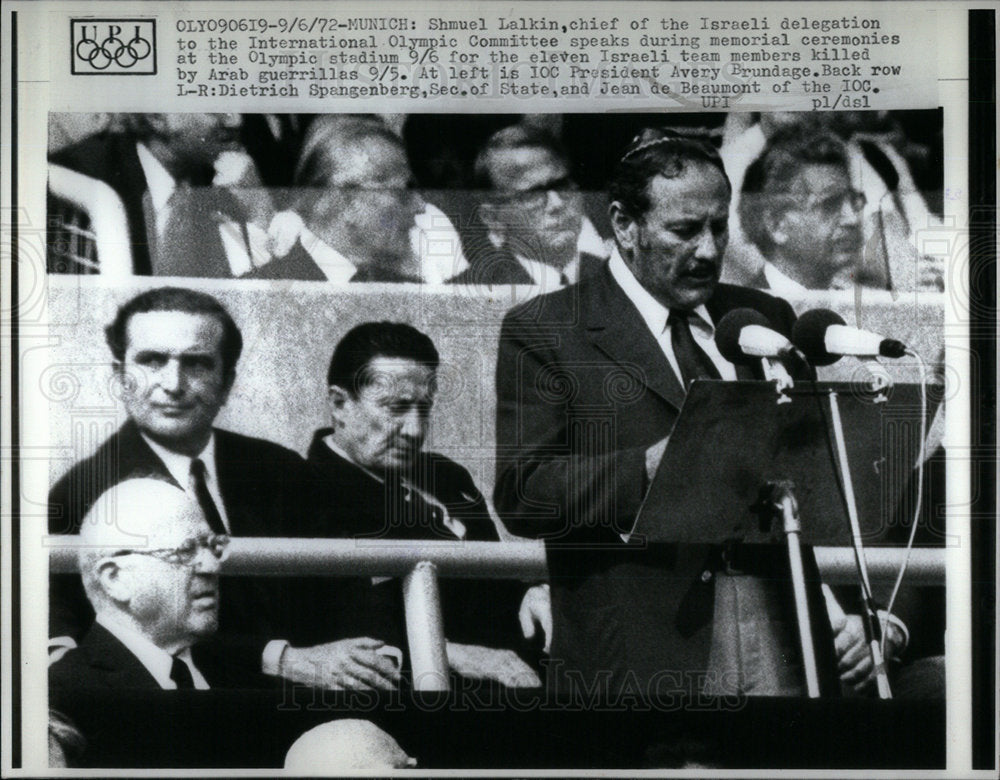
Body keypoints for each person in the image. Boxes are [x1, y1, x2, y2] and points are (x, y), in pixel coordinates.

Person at [493, 127, 892, 699]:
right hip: (640, 642)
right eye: (683, 231)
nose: (708, 250)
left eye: (719, 225)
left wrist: (838, 598)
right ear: (624, 227)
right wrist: (650, 468)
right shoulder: (549, 330)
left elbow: (800, 476)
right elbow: (521, 492)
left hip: (779, 624)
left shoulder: (763, 316)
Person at [48, 287, 400, 693]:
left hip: (315, 705)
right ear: (120, 377)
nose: (173, 384)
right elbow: (104, 651)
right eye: (152, 361)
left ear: (227, 382)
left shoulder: (281, 470)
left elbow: (352, 593)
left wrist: (376, 661)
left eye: (196, 364)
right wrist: (280, 658)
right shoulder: (81, 496)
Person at [307, 321, 546, 687]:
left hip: (517, 679)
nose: (416, 430)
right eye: (396, 408)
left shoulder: (446, 476)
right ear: (339, 404)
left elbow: (494, 583)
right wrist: (449, 652)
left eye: (424, 408)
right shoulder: (299, 492)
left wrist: (530, 593)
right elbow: (325, 631)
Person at [49, 478, 256, 691]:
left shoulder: (250, 687)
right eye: (185, 551)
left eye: (213, 546)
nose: (212, 566)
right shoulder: (63, 695)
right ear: (115, 579)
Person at [48, 113, 273, 277]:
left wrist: (261, 213)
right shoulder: (78, 183)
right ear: (157, 116)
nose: (236, 120)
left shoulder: (231, 177)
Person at [251, 116, 428, 283]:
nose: (420, 206)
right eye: (403, 193)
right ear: (346, 201)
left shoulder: (401, 287)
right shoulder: (261, 296)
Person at [450, 124, 606, 287]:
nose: (557, 204)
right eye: (532, 195)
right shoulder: (464, 292)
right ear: (493, 218)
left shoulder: (621, 275)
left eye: (561, 186)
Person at [737, 130, 869, 293]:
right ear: (776, 225)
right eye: (829, 204)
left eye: (855, 201)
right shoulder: (747, 311)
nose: (853, 219)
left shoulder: (859, 305)